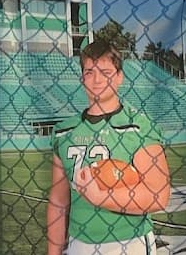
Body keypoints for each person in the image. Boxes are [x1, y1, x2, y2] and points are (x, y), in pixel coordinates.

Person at [47, 40, 171, 255]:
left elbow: (158, 195)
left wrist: (101, 197)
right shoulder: (64, 131)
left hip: (129, 243)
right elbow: (59, 200)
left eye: (105, 72)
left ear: (119, 76)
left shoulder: (138, 127)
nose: (96, 80)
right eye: (89, 72)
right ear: (82, 78)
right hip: (79, 243)